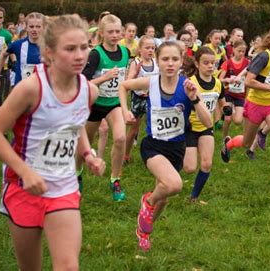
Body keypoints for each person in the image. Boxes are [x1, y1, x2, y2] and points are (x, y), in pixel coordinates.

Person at [0, 14, 106, 270]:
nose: (80, 55)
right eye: (70, 49)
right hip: (23, 187)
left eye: (84, 47)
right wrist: (25, 172)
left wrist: (88, 154)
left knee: (68, 266)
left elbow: (74, 127)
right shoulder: (30, 89)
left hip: (63, 187)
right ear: (49, 53)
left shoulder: (89, 91)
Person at [118, 41, 212, 251]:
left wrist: (195, 99)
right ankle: (148, 201)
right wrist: (125, 111)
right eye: (165, 59)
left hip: (177, 147)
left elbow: (207, 123)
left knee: (166, 196)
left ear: (181, 61)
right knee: (174, 185)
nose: (170, 64)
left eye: (175, 59)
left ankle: (144, 231)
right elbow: (123, 86)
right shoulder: (151, 82)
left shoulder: (188, 86)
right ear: (158, 61)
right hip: (153, 146)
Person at [221, 26, 270, 179]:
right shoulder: (264, 57)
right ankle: (229, 144)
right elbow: (248, 81)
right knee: (247, 142)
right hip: (255, 104)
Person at [79, 14, 129, 200]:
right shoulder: (96, 54)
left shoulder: (125, 53)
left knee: (120, 138)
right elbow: (84, 81)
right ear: (102, 33)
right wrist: (104, 78)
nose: (115, 35)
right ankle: (77, 175)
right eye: (110, 32)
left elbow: (123, 79)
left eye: (118, 31)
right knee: (85, 144)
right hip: (94, 104)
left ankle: (115, 180)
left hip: (113, 104)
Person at [182, 47, 224, 201]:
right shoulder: (190, 83)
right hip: (189, 128)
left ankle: (194, 197)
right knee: (189, 168)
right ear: (197, 64)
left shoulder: (218, 83)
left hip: (207, 127)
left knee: (207, 164)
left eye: (213, 63)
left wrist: (225, 109)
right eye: (206, 63)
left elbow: (221, 101)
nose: (210, 66)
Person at [123, 36, 159, 164]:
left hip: (152, 99)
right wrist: (135, 72)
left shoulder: (156, 62)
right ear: (140, 49)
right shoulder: (135, 63)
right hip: (138, 98)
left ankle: (154, 155)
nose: (150, 50)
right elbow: (127, 82)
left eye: (152, 48)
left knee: (154, 128)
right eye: (147, 48)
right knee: (134, 129)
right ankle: (125, 155)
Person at [0, 12, 44, 92]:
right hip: (21, 91)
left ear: (43, 28)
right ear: (26, 27)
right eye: (31, 26)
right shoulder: (18, 44)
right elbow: (3, 55)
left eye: (38, 27)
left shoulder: (50, 46)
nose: (34, 29)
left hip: (42, 91)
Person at [219, 40, 250, 140]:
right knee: (227, 119)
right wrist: (228, 79)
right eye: (239, 51)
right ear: (233, 50)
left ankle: (231, 110)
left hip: (240, 95)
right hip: (228, 93)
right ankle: (225, 138)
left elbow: (250, 78)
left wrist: (248, 94)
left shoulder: (248, 63)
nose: (241, 53)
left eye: (243, 51)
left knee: (237, 121)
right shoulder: (227, 63)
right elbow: (219, 80)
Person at [0, 5, 13, 113]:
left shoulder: (7, 35)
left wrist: (14, 61)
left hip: (1, 68)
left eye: (0, 18)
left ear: (3, 19)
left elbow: (11, 50)